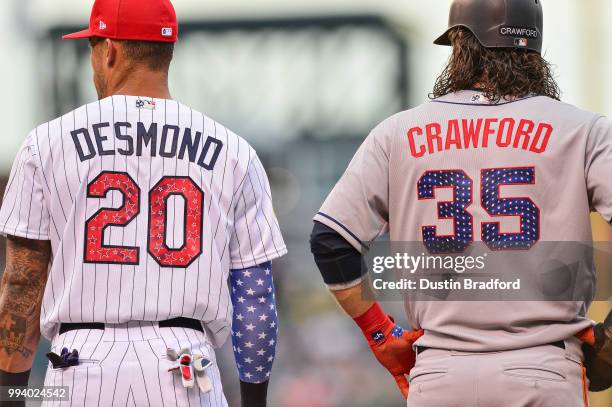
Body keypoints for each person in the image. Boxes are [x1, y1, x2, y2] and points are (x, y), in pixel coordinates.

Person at [310, 0, 611, 405]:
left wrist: (380, 332)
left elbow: (331, 240)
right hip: (543, 367)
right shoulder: (584, 130)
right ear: (534, 51)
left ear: (461, 46)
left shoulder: (397, 134)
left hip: (439, 374)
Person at [0, 0, 286, 406]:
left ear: (110, 51)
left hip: (79, 365)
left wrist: (8, 396)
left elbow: (22, 284)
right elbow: (255, 296)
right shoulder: (234, 152)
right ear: (166, 53)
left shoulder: (45, 145)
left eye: (93, 48)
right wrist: (255, 402)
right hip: (185, 365)